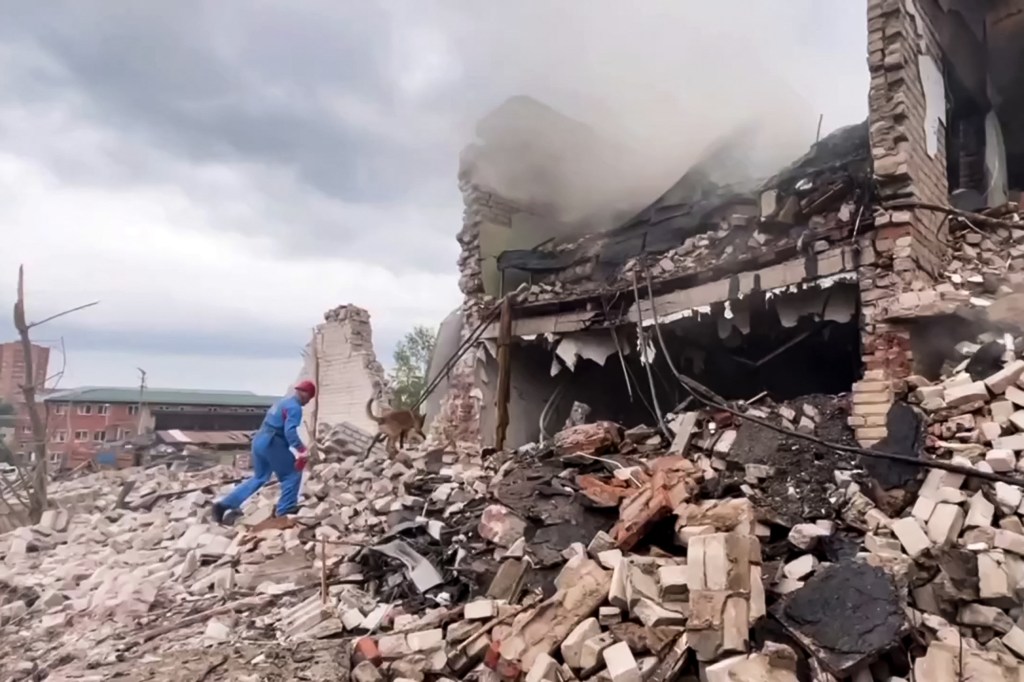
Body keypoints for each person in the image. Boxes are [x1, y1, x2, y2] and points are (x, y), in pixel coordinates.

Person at [212, 380, 316, 523]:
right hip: (273, 442)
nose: (308, 401)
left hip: (260, 440)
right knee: (292, 474)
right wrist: (301, 449)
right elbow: (289, 431)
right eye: (309, 397)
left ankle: (223, 505)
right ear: (305, 394)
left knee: (259, 477)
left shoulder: (281, 402)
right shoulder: (294, 407)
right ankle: (285, 509)